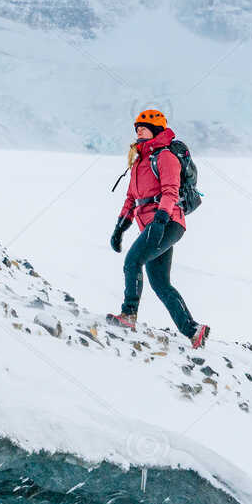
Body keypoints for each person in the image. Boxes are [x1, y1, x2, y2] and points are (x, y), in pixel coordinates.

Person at [108, 109, 209, 348]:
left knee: (132, 262)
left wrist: (161, 221)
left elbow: (170, 191)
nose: (138, 130)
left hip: (168, 222)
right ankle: (194, 330)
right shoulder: (138, 161)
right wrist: (120, 227)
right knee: (160, 283)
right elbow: (131, 198)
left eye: (143, 126)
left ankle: (128, 315)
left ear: (155, 129)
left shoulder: (164, 156)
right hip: (151, 225)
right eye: (137, 127)